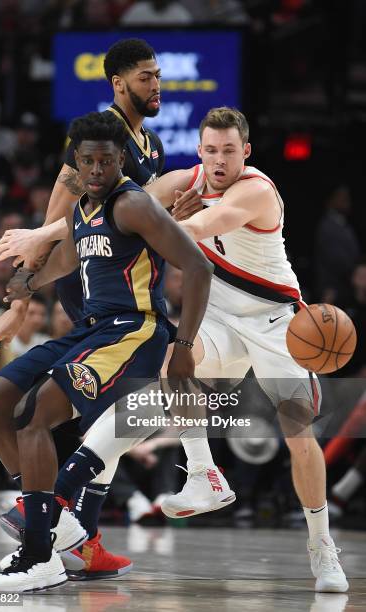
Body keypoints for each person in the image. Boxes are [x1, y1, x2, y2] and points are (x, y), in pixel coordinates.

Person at [0, 37, 201, 580]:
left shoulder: (147, 149)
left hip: (127, 308)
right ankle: (54, 520)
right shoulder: (100, 136)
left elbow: (142, 219)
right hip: (88, 293)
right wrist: (19, 304)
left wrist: (173, 211)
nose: (157, 85)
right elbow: (56, 228)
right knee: (41, 415)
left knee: (96, 429)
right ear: (118, 83)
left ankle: (58, 532)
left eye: (158, 75)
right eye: (146, 77)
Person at [141, 107, 347, 593]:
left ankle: (322, 546)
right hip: (221, 320)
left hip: (279, 323)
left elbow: (205, 224)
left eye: (228, 150)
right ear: (199, 151)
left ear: (246, 152)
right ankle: (204, 474)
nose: (218, 160)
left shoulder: (256, 189)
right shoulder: (185, 180)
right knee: (175, 360)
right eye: (210, 150)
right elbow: (130, 209)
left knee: (298, 433)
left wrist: (168, 219)